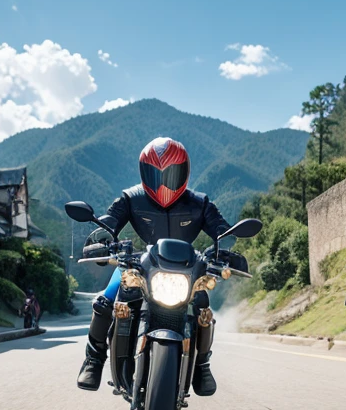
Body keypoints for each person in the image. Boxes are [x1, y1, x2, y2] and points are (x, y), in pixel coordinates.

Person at [76, 137, 233, 396]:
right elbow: (109, 222)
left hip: (187, 268)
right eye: (155, 174)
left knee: (203, 306)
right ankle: (93, 360)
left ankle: (202, 365)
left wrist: (226, 249)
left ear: (184, 171)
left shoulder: (200, 203)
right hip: (140, 264)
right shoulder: (131, 198)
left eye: (170, 174)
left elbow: (222, 230)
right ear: (143, 172)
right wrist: (100, 238)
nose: (163, 183)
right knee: (105, 300)